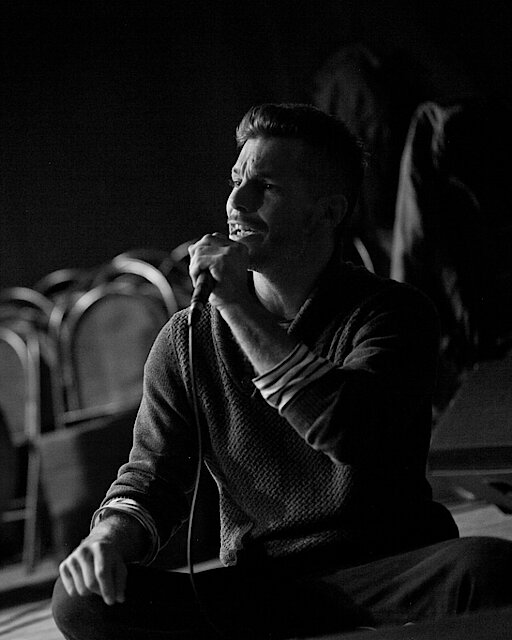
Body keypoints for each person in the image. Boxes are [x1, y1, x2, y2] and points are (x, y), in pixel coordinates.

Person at [52, 103, 512, 639]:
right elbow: (151, 480)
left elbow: (347, 428)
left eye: (266, 187)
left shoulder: (393, 312)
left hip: (391, 571)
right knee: (81, 600)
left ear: (326, 213)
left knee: (488, 569)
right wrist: (108, 537)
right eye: (237, 181)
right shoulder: (185, 339)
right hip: (263, 590)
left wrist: (237, 306)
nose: (236, 203)